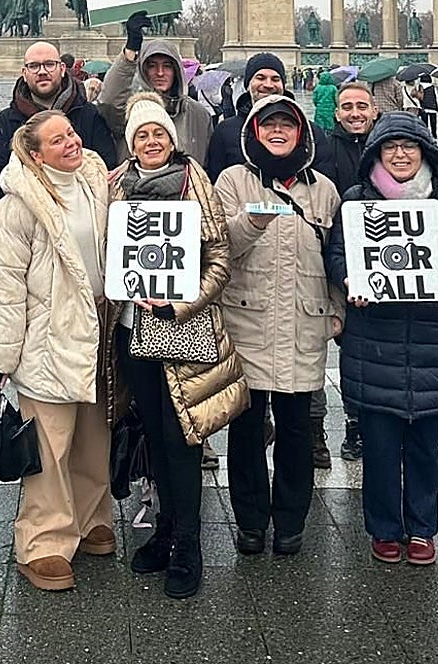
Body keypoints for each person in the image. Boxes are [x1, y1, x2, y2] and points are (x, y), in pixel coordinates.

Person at [104, 92, 248, 599]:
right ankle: (166, 526)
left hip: (177, 323)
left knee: (181, 434)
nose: (151, 142)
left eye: (159, 133)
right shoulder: (114, 183)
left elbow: (219, 258)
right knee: (150, 431)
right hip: (129, 325)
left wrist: (177, 306)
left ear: (172, 137)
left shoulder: (195, 181)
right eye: (141, 135)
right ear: (131, 142)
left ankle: (188, 541)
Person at [324, 113, 438, 565]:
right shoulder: (354, 202)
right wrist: (350, 277)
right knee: (377, 448)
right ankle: (384, 528)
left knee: (423, 447)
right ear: (376, 154)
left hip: (431, 340)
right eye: (390, 147)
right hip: (375, 338)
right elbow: (336, 257)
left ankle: (422, 528)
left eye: (408, 147)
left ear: (424, 154)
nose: (400, 154)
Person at [0, 110, 112, 592]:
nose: (72, 143)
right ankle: (43, 541)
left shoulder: (96, 182)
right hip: (48, 332)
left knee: (93, 434)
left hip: (98, 323)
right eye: (58, 140)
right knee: (50, 444)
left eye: (73, 133)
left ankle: (90, 515)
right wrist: (2, 358)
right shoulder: (14, 208)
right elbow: (5, 288)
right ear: (35, 154)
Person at [214, 94, 344, 556]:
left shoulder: (324, 189)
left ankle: (290, 520)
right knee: (246, 430)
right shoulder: (232, 181)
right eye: (268, 124)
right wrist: (251, 222)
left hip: (304, 321)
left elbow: (336, 258)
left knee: (294, 429)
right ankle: (250, 520)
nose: (277, 131)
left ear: (300, 133)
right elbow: (220, 248)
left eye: (286, 124)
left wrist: (338, 310)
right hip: (246, 318)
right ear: (254, 131)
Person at [313, 80, 379, 461]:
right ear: (337, 112)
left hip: (377, 264)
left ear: (373, 110)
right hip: (334, 261)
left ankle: (359, 423)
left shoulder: (387, 147)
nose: (355, 113)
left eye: (362, 106)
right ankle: (326, 426)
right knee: (330, 347)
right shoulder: (323, 149)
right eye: (348, 107)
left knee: (365, 351)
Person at [0, 41, 116, 205]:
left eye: (49, 64)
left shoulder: (89, 114)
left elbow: (105, 169)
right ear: (24, 74)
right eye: (34, 66)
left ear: (62, 69)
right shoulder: (5, 121)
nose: (42, 71)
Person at [99, 12, 215, 166]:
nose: (160, 73)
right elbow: (109, 101)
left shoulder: (199, 115)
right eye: (152, 66)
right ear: (143, 70)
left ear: (176, 70)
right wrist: (129, 53)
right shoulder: (131, 110)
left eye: (167, 66)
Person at [206, 53, 335, 184]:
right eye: (260, 78)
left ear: (283, 85)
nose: (268, 85)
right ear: (247, 84)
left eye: (275, 79)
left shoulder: (312, 132)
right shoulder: (225, 131)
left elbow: (323, 182)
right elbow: (215, 181)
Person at [415, 74, 438, 138]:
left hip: (424, 106)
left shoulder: (420, 86)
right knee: (433, 122)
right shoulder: (432, 87)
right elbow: (436, 96)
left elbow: (419, 97)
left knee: (425, 123)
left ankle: (426, 135)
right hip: (433, 107)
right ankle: (434, 134)